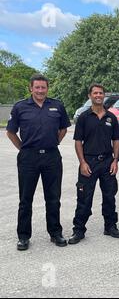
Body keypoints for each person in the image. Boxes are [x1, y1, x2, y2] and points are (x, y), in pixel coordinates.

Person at [6, 74, 71, 250]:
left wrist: (55, 142)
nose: (40, 91)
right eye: (37, 87)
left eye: (43, 87)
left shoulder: (57, 105)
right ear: (31, 88)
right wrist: (23, 149)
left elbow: (64, 128)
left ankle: (55, 233)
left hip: (51, 156)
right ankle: (23, 236)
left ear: (47, 88)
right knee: (25, 199)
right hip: (29, 158)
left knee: (53, 197)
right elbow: (11, 132)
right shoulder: (20, 107)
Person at [68, 84, 119, 244]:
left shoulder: (111, 118)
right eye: (95, 93)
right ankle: (78, 231)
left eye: (101, 93)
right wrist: (82, 162)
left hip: (107, 162)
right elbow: (78, 141)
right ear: (90, 96)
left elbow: (116, 140)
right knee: (84, 198)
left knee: (109, 197)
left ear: (104, 96)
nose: (98, 95)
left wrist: (115, 160)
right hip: (89, 162)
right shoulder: (84, 117)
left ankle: (110, 226)